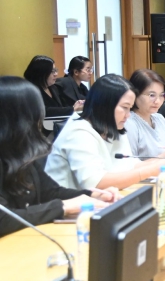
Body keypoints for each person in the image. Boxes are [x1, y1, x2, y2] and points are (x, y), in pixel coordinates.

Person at [0, 77, 118, 237]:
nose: (38, 123)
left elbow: (50, 192)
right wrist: (63, 207)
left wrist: (92, 195)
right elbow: (3, 219)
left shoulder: (20, 152)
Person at [45, 74, 165, 191]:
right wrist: (149, 171)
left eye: (130, 108)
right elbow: (95, 183)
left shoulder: (114, 127)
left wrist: (162, 162)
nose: (128, 115)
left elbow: (131, 166)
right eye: (125, 108)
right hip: (67, 205)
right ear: (105, 105)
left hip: (102, 200)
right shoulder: (78, 132)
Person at [125, 69, 165, 159]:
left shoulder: (159, 118)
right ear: (135, 94)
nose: (158, 101)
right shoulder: (129, 123)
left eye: (162, 95)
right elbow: (130, 163)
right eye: (152, 95)